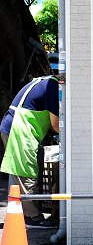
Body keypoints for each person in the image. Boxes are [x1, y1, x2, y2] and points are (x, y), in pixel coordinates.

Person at [1, 75, 59, 226]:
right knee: (26, 174)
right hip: (18, 130)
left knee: (31, 170)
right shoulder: (52, 86)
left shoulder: (44, 81)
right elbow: (55, 124)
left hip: (20, 128)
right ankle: (31, 217)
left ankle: (31, 212)